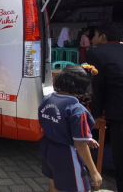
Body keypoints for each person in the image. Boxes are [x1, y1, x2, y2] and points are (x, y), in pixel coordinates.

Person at [38, 66, 102, 192]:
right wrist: (94, 171)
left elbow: (54, 123)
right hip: (67, 154)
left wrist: (84, 137)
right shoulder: (77, 109)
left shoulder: (48, 98)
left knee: (54, 186)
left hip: (47, 147)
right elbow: (80, 144)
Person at [86, 23, 123, 191]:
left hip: (118, 111)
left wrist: (95, 113)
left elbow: (98, 86)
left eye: (95, 35)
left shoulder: (96, 53)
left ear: (103, 37)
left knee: (120, 158)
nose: (92, 39)